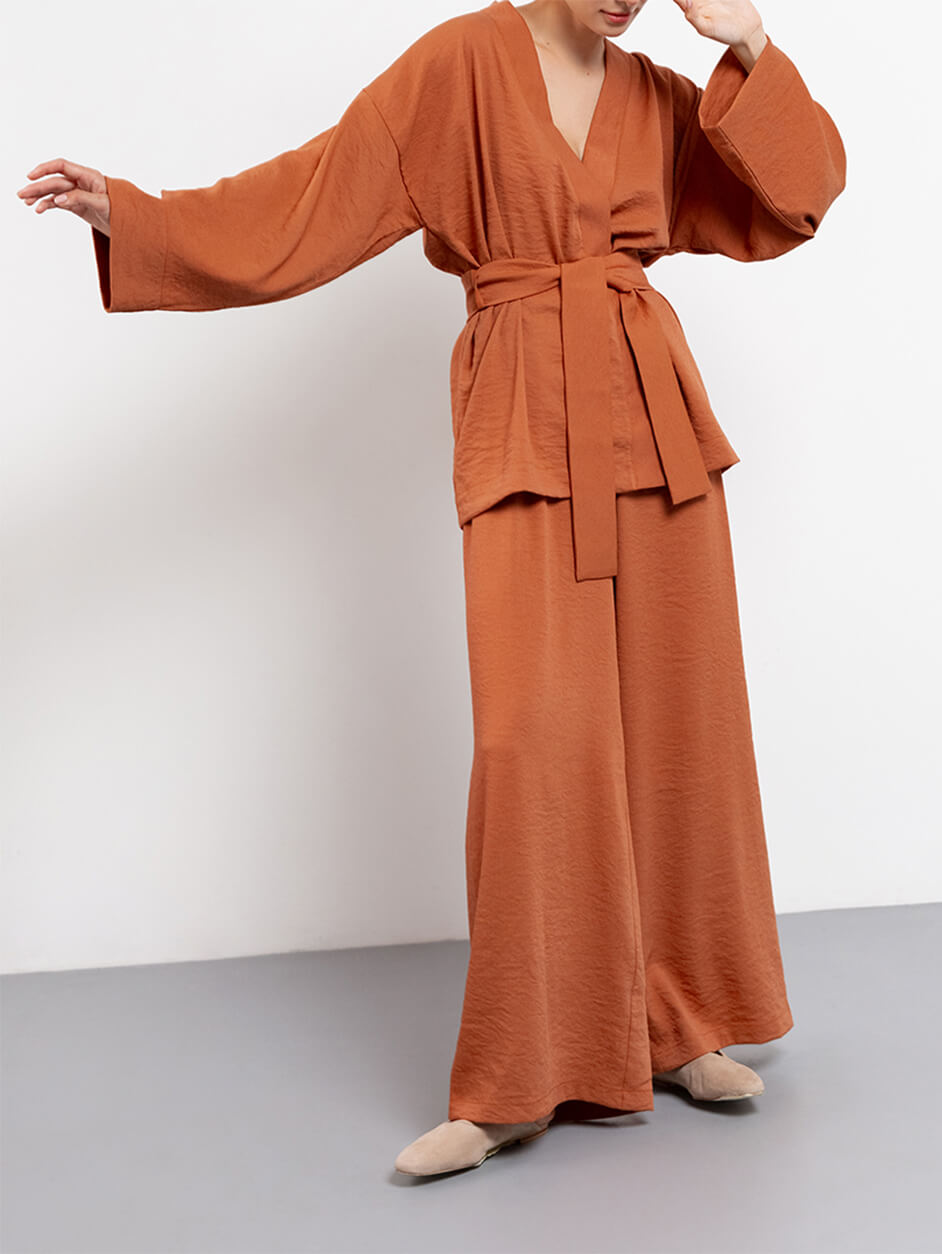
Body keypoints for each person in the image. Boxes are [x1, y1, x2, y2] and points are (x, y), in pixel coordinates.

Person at [16, 0, 847, 1178]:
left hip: (656, 429)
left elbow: (794, 201)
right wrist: (139, 216)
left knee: (679, 729)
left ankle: (678, 1021)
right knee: (530, 741)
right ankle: (518, 1078)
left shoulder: (660, 97)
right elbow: (316, 194)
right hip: (524, 422)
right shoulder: (459, 66)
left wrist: (748, 45)